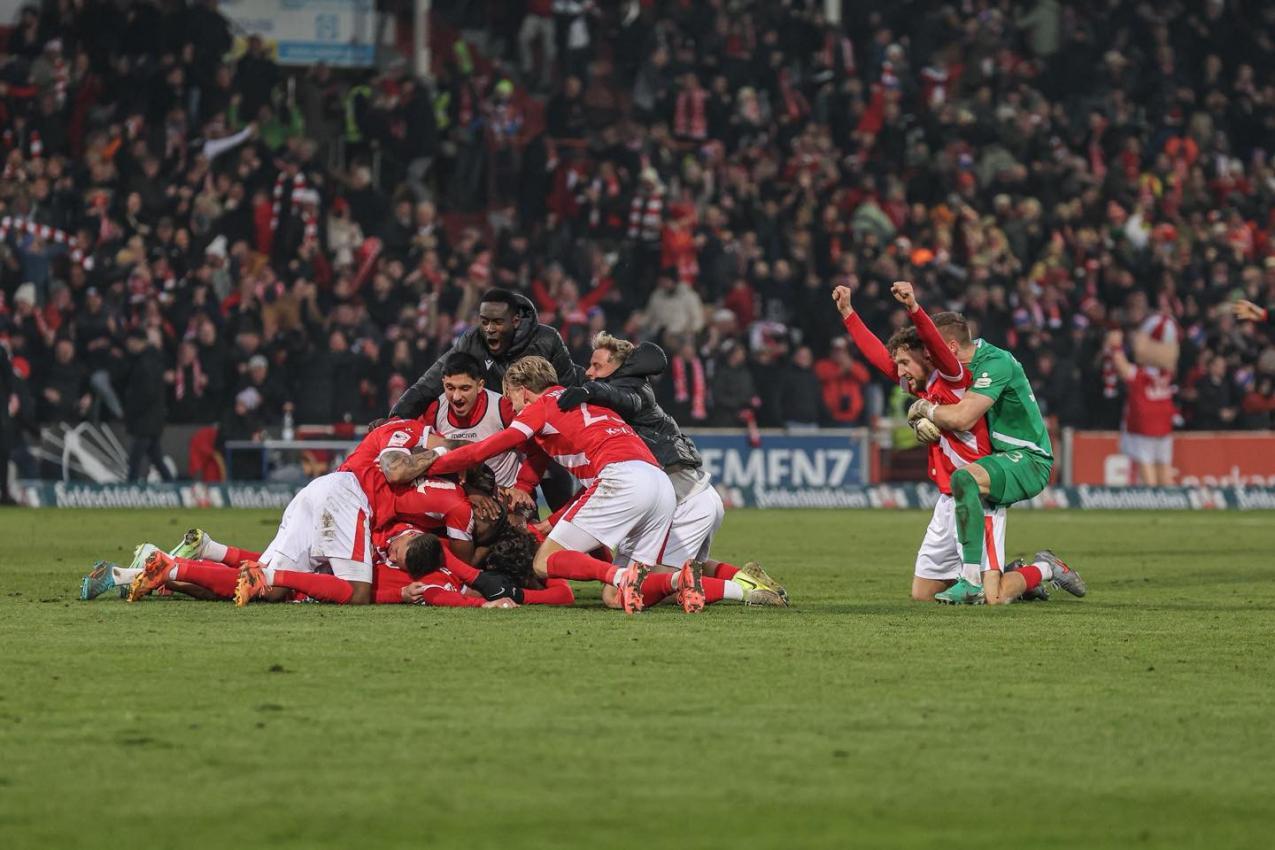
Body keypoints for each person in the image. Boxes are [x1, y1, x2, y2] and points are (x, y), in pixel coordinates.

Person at [835, 281, 1083, 604]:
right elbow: (881, 357)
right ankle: (1001, 572)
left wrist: (913, 307)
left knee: (990, 598)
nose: (901, 371)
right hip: (949, 497)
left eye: (918, 355)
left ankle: (1041, 570)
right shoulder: (921, 384)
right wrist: (848, 314)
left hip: (989, 478)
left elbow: (959, 410)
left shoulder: (952, 375)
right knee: (922, 594)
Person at [416, 356, 677, 614]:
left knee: (544, 562)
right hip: (660, 483)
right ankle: (683, 582)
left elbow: (481, 451)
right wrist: (552, 521)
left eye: (512, 400)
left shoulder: (540, 406)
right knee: (615, 597)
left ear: (524, 392)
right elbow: (591, 487)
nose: (513, 409)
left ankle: (621, 575)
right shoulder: (585, 403)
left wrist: (430, 466)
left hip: (622, 478)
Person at [557, 331, 787, 607]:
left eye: (598, 366)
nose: (590, 372)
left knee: (620, 594)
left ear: (620, 368)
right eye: (590, 365)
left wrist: (590, 389)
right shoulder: (619, 393)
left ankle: (745, 592)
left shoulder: (630, 391)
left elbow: (624, 394)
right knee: (681, 569)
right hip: (693, 496)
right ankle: (743, 576)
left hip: (685, 503)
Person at [905, 301, 1077, 605]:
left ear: (952, 348)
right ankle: (1010, 575)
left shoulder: (995, 362)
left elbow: (962, 418)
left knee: (965, 480)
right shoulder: (958, 373)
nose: (929, 358)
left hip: (1028, 457)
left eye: (932, 350)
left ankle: (1039, 569)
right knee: (926, 596)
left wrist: (926, 410)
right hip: (998, 460)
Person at [389, 288, 584, 420]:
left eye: (498, 322)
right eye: (484, 322)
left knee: (554, 477)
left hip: (544, 425)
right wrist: (396, 418)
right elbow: (431, 381)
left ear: (515, 321)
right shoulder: (473, 339)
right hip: (496, 427)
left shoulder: (547, 339)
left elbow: (566, 390)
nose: (489, 329)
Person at [1106, 328, 1176, 485]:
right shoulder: (1166, 372)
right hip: (1164, 426)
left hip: (1144, 427)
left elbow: (1121, 366)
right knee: (1164, 468)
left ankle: (1154, 502)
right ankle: (1171, 503)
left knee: (1147, 467)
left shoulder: (1142, 374)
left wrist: (1115, 345)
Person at [122, 330, 174, 482]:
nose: (129, 346)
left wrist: (132, 409)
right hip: (152, 418)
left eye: (130, 343)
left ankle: (129, 493)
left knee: (135, 460)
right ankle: (174, 487)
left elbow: (146, 392)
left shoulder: (145, 362)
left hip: (146, 419)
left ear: (138, 342)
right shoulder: (153, 359)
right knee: (156, 458)